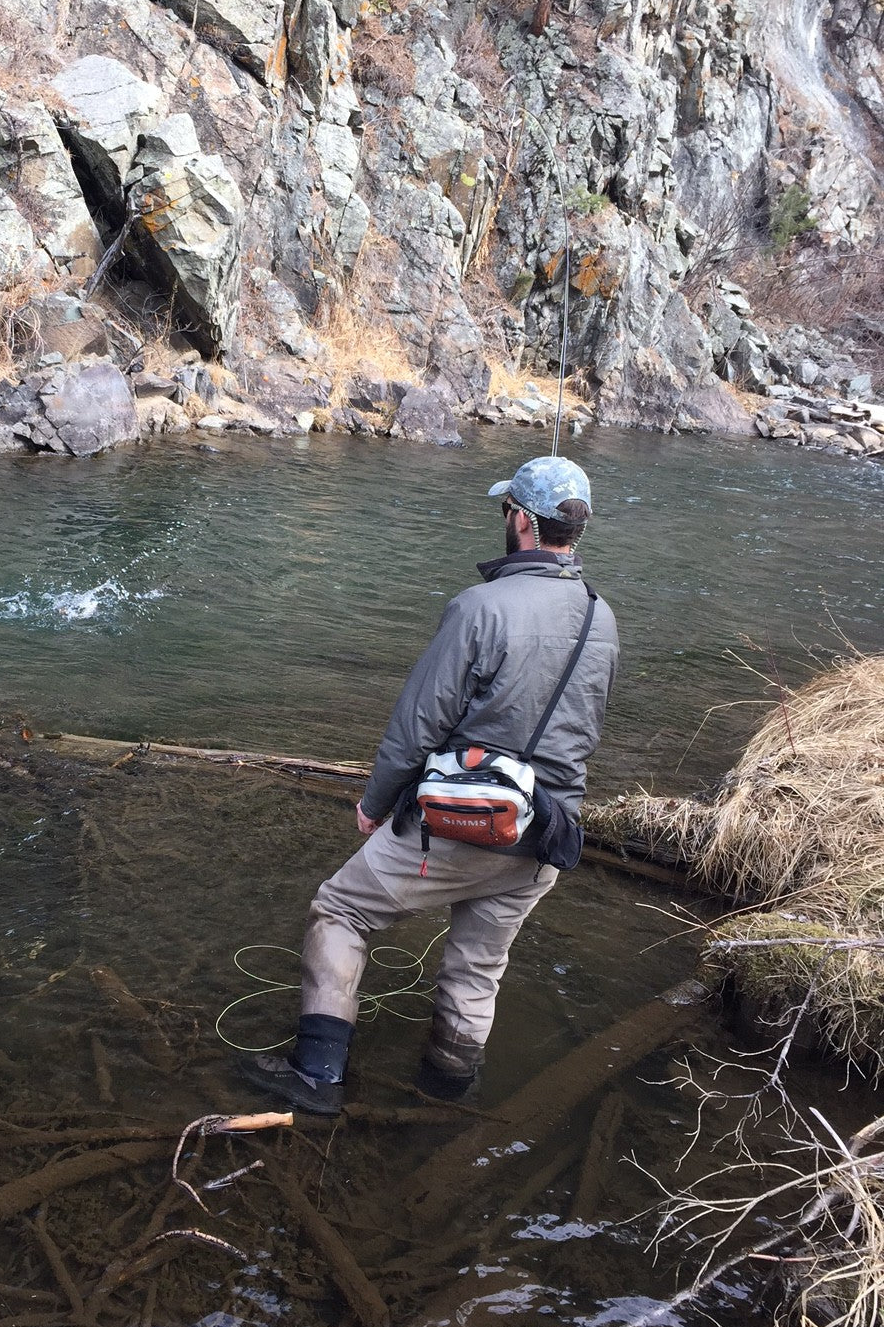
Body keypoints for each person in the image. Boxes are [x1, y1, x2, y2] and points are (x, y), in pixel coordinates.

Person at [241, 456, 620, 1116]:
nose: (503, 519)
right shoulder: (602, 617)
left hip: (464, 822)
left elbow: (418, 723)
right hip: (548, 834)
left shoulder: (478, 607)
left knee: (340, 911)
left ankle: (317, 1077)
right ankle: (445, 1101)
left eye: (506, 510)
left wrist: (374, 804)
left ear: (522, 523)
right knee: (477, 968)